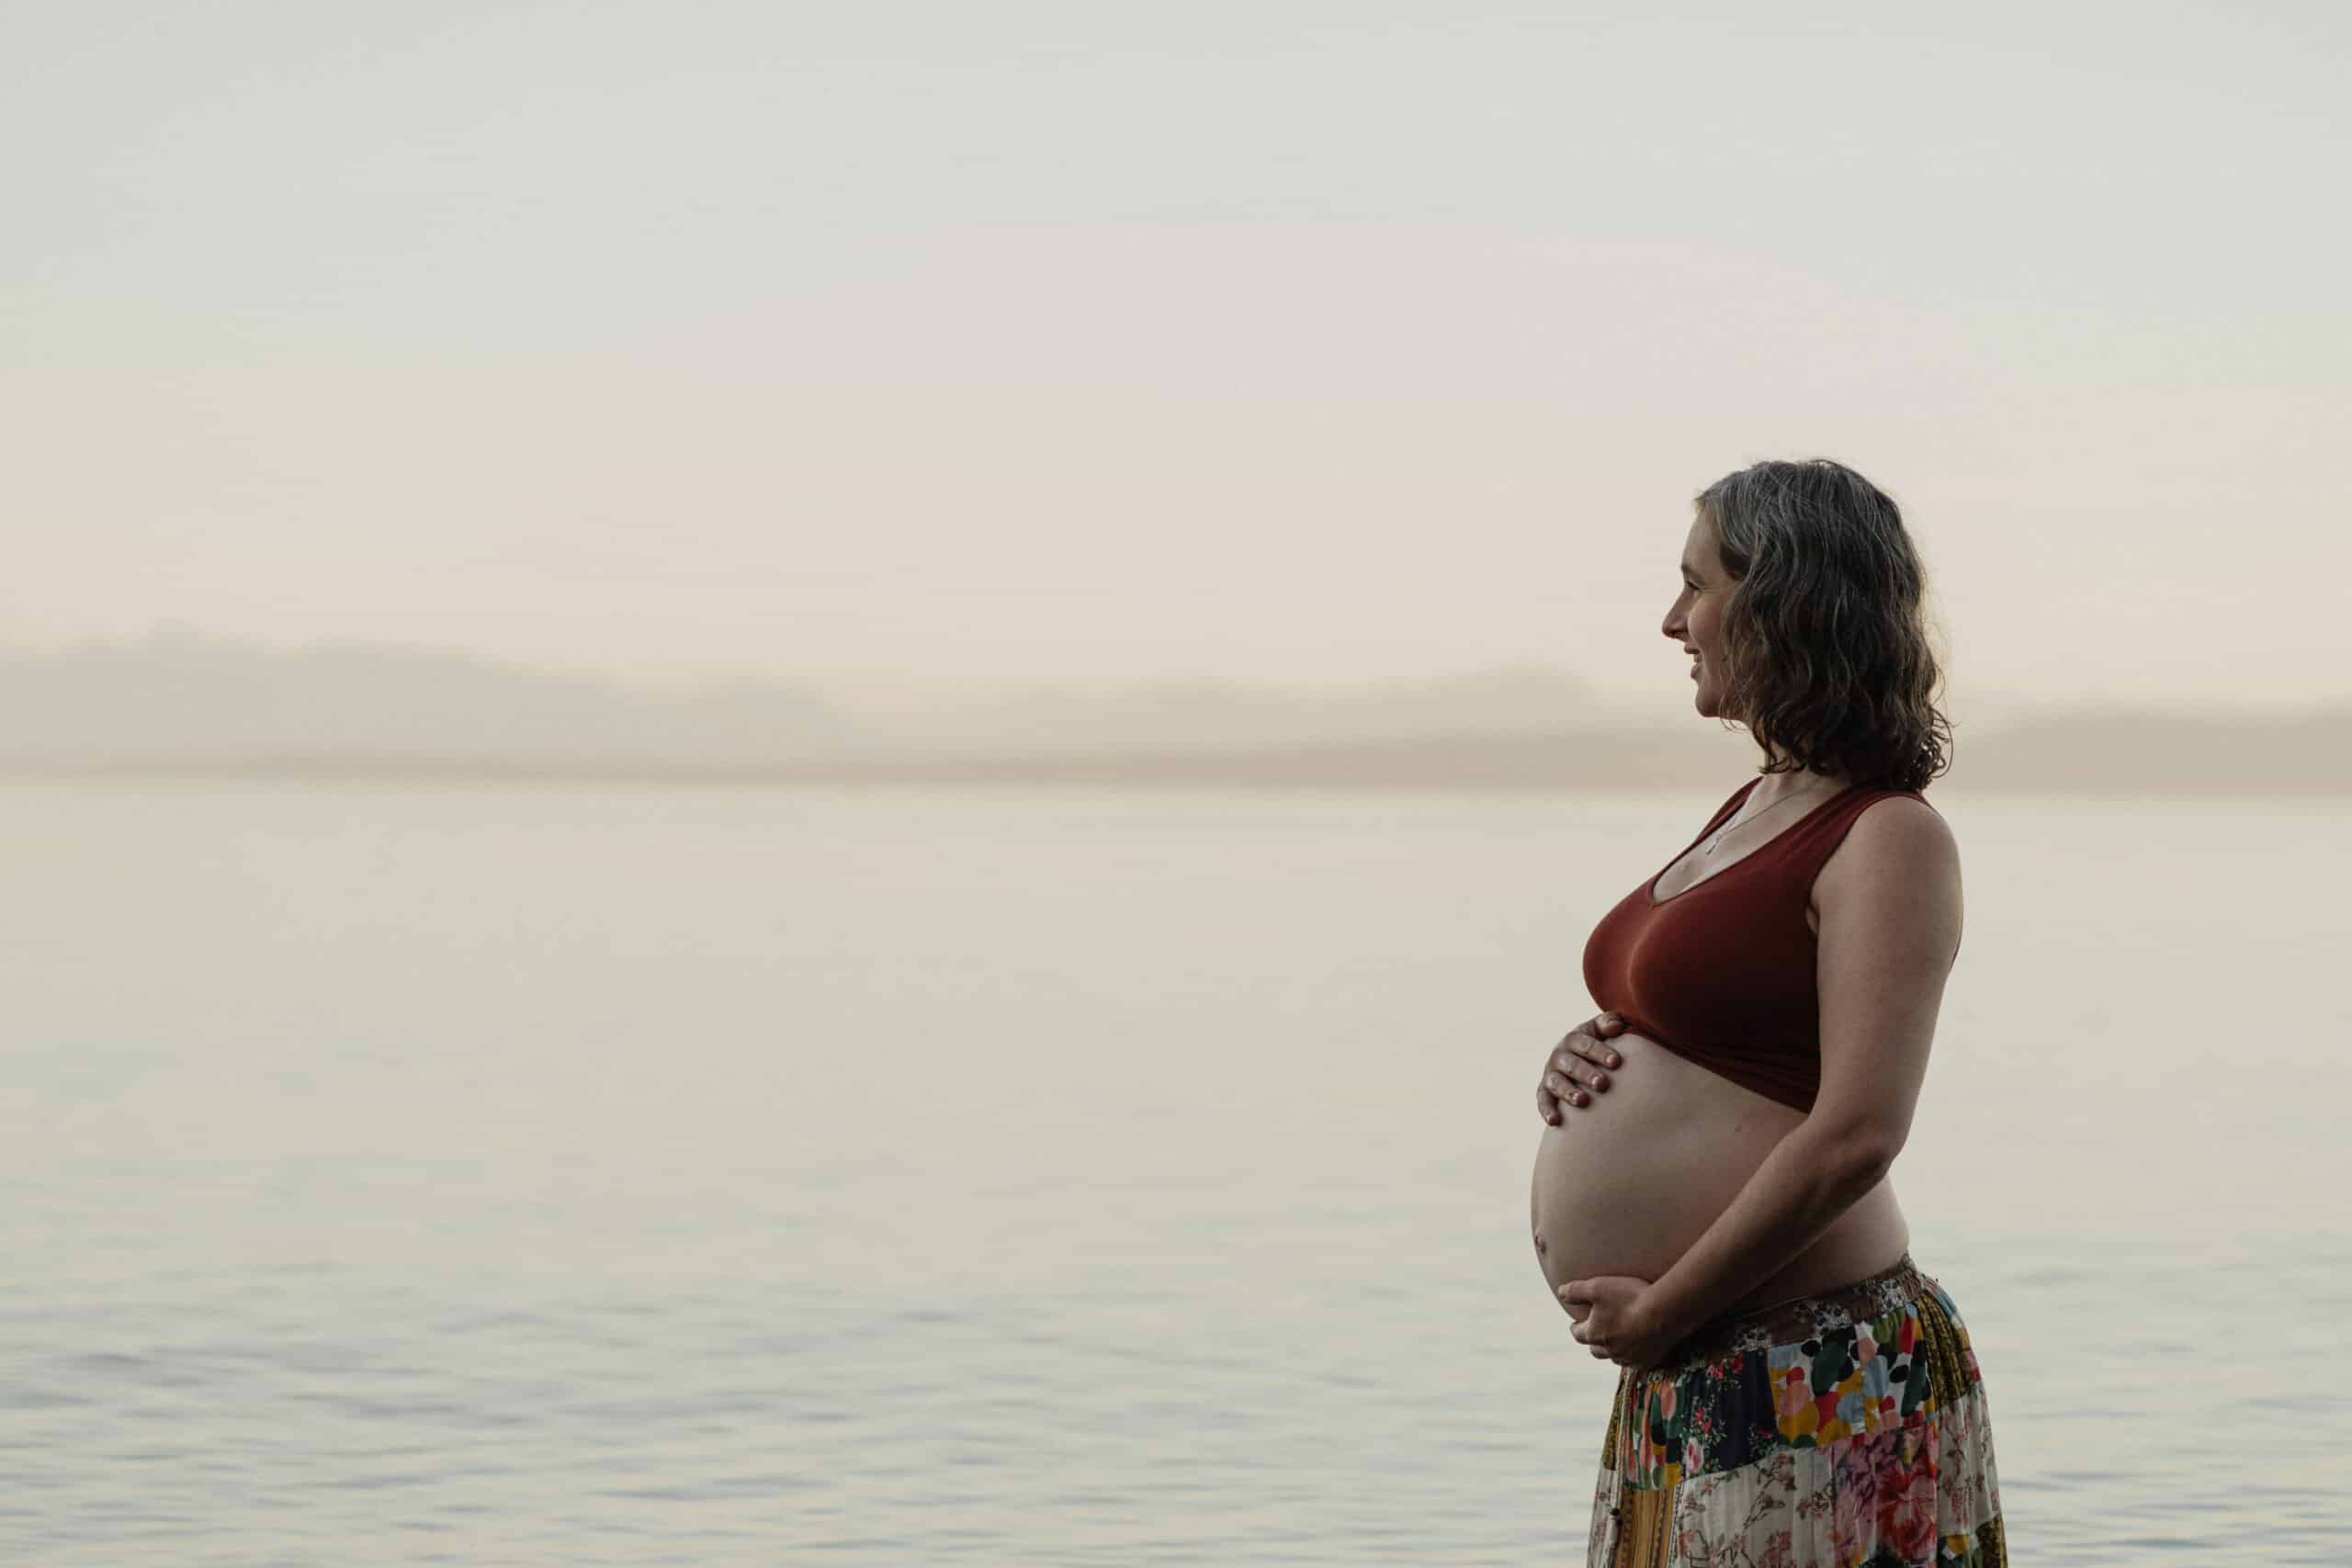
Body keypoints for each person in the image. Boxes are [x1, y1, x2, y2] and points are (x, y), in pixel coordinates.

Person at [1525, 458, 2005, 1566]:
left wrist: (1664, 1311)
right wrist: (1586, 1055)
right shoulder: (1753, 803)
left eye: (1695, 586)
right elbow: (1708, 1029)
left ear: (1785, 603)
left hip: (1811, 1366)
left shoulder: (1888, 836)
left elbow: (1856, 1135)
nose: (1669, 621)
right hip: (1697, 1360)